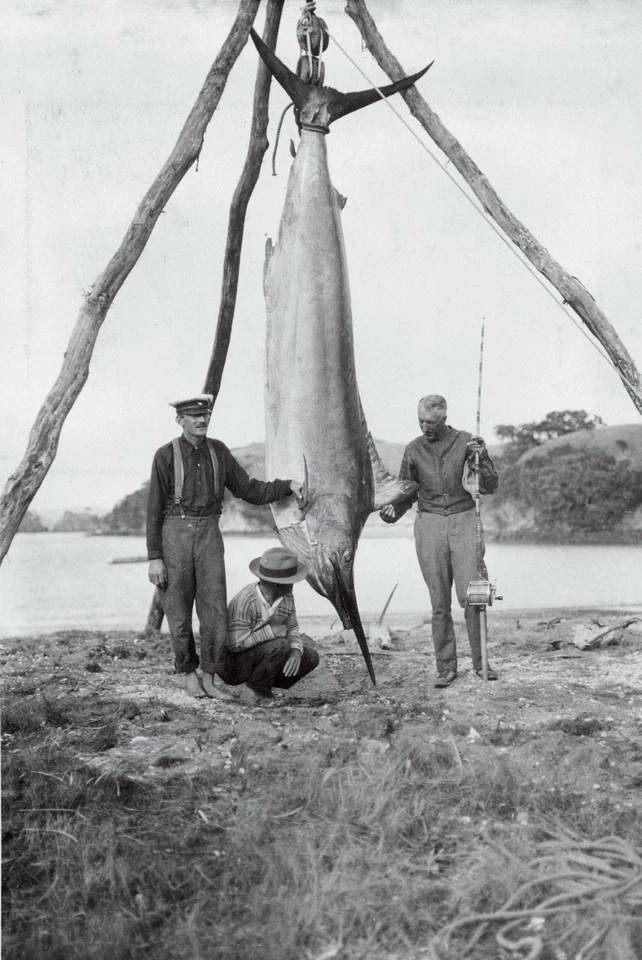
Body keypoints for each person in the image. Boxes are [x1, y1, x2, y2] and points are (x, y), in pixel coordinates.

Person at [147, 394, 302, 700]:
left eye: (204, 416)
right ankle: (188, 674)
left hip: (209, 533)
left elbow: (249, 489)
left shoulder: (218, 451)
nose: (201, 421)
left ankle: (209, 676)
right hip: (174, 533)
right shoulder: (164, 455)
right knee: (178, 611)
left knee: (214, 609)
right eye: (193, 417)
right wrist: (155, 557)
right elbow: (152, 510)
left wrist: (287, 486)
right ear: (180, 420)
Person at [380, 394, 499, 687]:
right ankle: (445, 668)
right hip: (429, 523)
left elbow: (491, 485)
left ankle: (482, 663)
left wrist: (481, 457)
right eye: (420, 421)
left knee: (474, 594)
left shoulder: (468, 442)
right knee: (438, 601)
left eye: (430, 422)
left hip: (465, 518)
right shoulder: (413, 449)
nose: (424, 427)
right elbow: (406, 493)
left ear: (444, 418)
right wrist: (392, 512)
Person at [221, 546, 320, 704]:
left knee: (311, 657)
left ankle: (263, 686)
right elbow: (234, 644)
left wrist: (296, 651)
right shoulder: (246, 600)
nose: (294, 583)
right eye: (291, 580)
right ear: (276, 584)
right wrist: (270, 632)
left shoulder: (287, 597)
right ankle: (253, 691)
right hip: (233, 666)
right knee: (280, 645)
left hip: (263, 655)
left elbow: (293, 630)